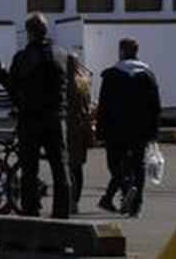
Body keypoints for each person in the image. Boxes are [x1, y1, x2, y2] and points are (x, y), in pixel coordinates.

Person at [8, 13, 71, 219]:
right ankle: (62, 213)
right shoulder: (62, 55)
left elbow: (13, 87)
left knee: (29, 169)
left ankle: (31, 212)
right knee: (60, 167)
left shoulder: (23, 58)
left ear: (30, 33)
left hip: (30, 118)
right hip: (56, 117)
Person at [95, 38, 161, 217]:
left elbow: (104, 105)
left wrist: (100, 131)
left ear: (122, 51)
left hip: (116, 129)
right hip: (140, 129)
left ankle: (125, 189)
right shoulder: (148, 75)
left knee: (115, 164)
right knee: (138, 166)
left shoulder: (112, 75)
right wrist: (153, 131)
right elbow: (155, 106)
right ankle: (136, 206)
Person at [65, 52, 93, 213]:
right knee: (77, 166)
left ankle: (70, 198)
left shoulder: (63, 83)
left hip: (67, 128)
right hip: (81, 127)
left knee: (66, 166)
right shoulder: (83, 82)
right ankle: (75, 200)